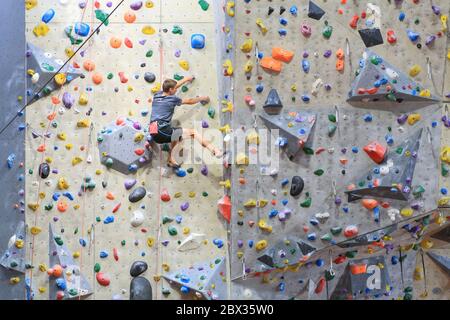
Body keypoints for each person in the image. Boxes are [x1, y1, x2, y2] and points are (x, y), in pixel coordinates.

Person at [149, 77, 223, 168]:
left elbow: (174, 86)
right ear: (170, 90)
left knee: (176, 137)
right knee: (193, 133)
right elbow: (189, 101)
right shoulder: (172, 99)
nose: (176, 90)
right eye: (175, 89)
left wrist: (187, 79)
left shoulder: (157, 95)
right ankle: (214, 150)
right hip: (161, 129)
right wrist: (202, 98)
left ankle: (171, 159)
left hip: (152, 129)